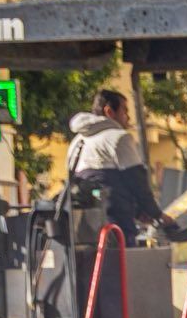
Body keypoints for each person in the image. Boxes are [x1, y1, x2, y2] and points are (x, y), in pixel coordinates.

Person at [66, 88, 167, 245]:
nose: (128, 117)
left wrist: (138, 212)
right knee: (122, 266)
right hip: (117, 224)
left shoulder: (77, 142)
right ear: (109, 111)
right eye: (124, 111)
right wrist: (157, 215)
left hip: (83, 228)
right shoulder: (119, 138)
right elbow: (137, 182)